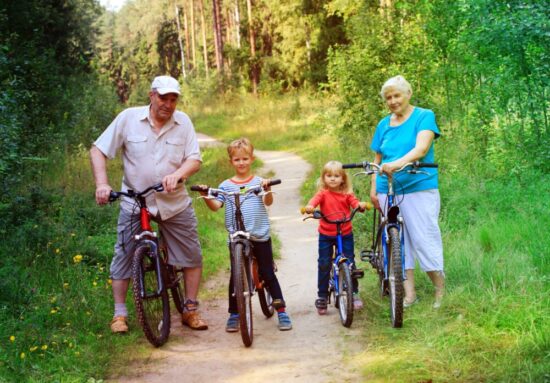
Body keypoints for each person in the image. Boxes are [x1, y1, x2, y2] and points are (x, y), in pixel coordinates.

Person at [90, 75, 208, 333]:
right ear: (151, 95)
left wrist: (180, 174)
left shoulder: (183, 122)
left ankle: (189, 308)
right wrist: (102, 184)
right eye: (163, 97)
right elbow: (98, 150)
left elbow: (194, 159)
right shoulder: (128, 118)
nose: (168, 103)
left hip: (173, 202)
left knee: (191, 254)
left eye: (173, 98)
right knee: (123, 255)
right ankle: (119, 315)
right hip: (135, 201)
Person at [197, 138, 293, 331]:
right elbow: (216, 206)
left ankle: (281, 309)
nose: (241, 163)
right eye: (237, 160)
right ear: (231, 162)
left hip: (259, 234)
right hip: (236, 237)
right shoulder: (225, 186)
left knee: (267, 272)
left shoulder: (259, 182)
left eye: (245, 159)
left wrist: (268, 189)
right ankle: (234, 313)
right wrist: (207, 195)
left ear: (252, 159)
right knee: (236, 274)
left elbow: (268, 202)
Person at [370, 75, 444, 309]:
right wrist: (373, 188)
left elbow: (421, 149)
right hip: (386, 188)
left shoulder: (424, 116)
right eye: (388, 98)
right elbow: (377, 159)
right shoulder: (383, 124)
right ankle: (408, 293)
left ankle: (441, 289)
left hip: (418, 186)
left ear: (408, 93)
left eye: (396, 95)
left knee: (424, 237)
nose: (392, 101)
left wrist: (398, 163)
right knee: (397, 242)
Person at [304, 161, 369, 315]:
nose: (332, 179)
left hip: (345, 232)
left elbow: (354, 203)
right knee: (324, 263)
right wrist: (310, 207)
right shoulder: (323, 193)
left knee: (350, 262)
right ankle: (322, 295)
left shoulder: (346, 194)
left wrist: (359, 205)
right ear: (324, 178)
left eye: (336, 176)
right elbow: (314, 201)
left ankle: (353, 293)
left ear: (343, 178)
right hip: (326, 234)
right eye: (329, 176)